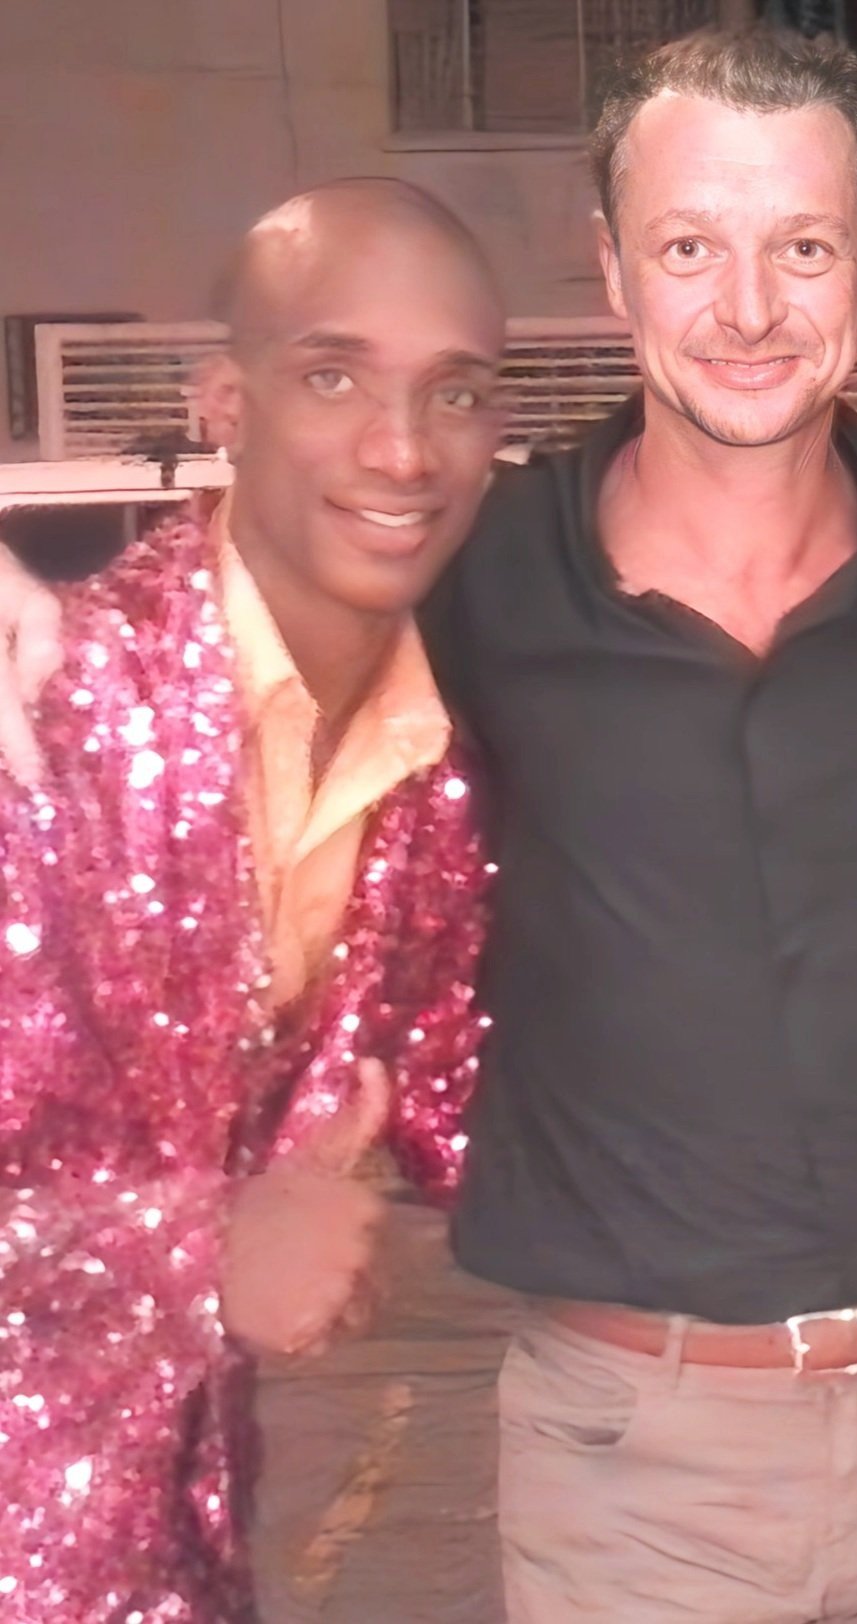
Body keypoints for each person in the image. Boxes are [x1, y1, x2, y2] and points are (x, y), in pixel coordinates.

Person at [0, 30, 857, 1621]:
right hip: (634, 1461)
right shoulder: (472, 579)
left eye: (801, 249)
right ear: (612, 269)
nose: (746, 307)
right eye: (689, 247)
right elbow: (225, 615)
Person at [0, 178, 512, 1621]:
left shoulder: (428, 779)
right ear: (226, 402)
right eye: (334, 376)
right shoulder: (39, 709)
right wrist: (200, 1247)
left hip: (181, 1548)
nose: (402, 449)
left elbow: (472, 1108)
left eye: (456, 393)